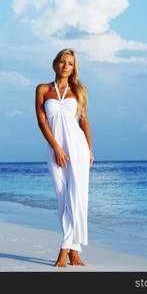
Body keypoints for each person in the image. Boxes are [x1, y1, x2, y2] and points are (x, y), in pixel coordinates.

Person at [35, 49, 94, 267]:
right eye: (62, 62)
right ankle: (74, 249)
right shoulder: (43, 89)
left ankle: (66, 249)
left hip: (78, 149)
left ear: (73, 68)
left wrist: (90, 149)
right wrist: (57, 148)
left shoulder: (79, 90)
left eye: (69, 63)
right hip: (55, 150)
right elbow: (42, 122)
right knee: (63, 199)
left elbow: (84, 122)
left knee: (76, 198)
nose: (65, 66)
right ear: (55, 64)